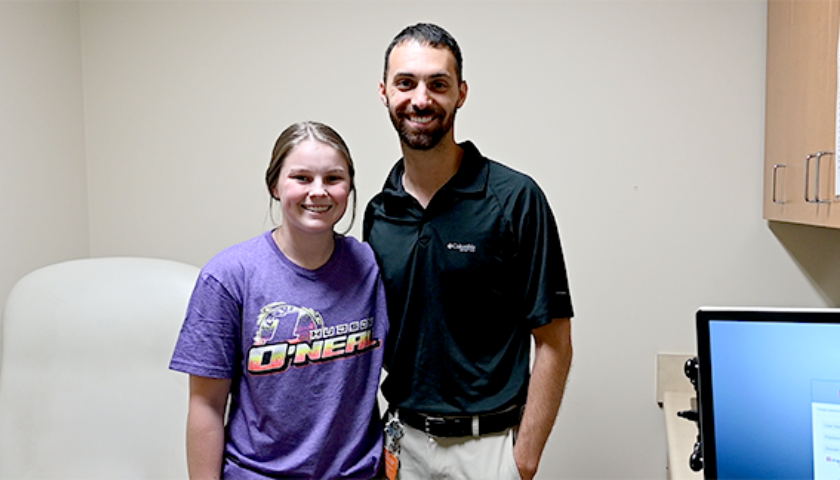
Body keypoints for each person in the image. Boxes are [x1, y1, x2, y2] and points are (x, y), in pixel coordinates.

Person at [363, 23, 574, 480]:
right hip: (401, 444)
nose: (421, 99)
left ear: (460, 93)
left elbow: (555, 343)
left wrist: (524, 459)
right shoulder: (380, 212)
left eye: (437, 84)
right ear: (384, 92)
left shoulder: (515, 198)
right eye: (406, 83)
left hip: (487, 448)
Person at [170, 121, 389, 480]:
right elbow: (206, 405)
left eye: (333, 179)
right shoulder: (228, 276)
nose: (318, 191)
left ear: (349, 187)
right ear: (275, 185)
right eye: (301, 178)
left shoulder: (370, 267)